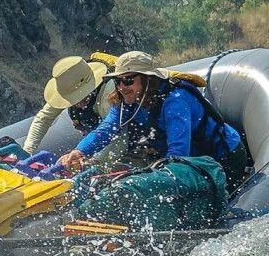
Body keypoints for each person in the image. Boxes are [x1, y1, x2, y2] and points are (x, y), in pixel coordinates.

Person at [58, 51, 249, 190]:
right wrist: (79, 151)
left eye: (128, 81)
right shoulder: (126, 102)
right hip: (194, 158)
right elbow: (105, 130)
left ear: (147, 80)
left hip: (224, 156)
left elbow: (178, 152)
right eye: (118, 81)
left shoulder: (175, 101)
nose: (122, 87)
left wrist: (155, 180)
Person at [23, 56, 115, 154]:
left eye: (81, 98)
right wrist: (28, 151)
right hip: (94, 134)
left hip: (120, 137)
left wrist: (92, 162)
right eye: (73, 100)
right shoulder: (66, 86)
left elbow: (116, 135)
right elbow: (43, 119)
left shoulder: (108, 94)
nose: (79, 104)